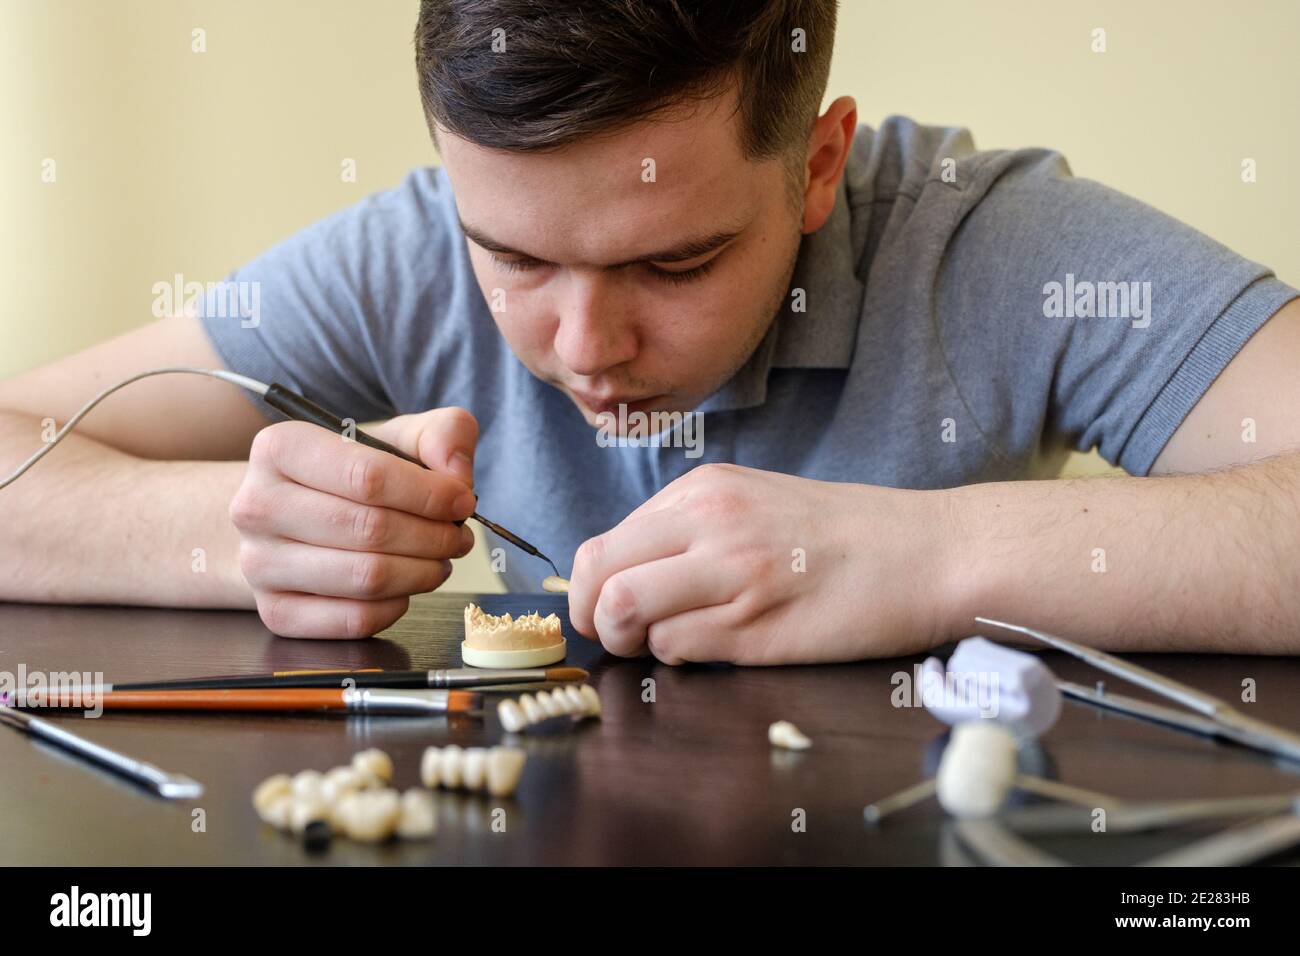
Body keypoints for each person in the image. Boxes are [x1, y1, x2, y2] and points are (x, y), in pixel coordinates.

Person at [2, 0, 1297, 663]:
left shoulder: (1000, 249)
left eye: (674, 260)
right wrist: (237, 537)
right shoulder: (401, 255)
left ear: (817, 163)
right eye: (510, 255)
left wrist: (927, 555)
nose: (581, 345)